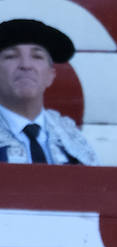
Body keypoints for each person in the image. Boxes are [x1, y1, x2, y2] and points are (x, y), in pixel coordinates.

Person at [0, 18, 97, 164]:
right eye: (11, 56)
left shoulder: (72, 140)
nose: (26, 65)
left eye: (37, 56)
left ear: (50, 76)